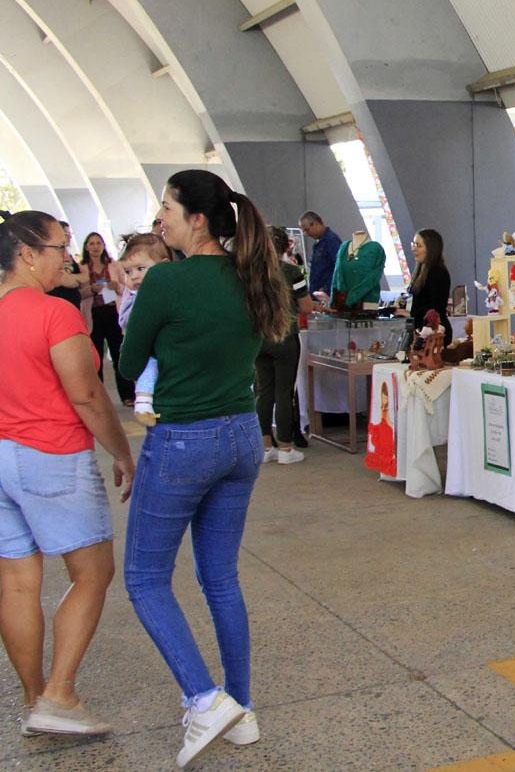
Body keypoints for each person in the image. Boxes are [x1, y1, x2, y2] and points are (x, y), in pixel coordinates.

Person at [120, 170, 290, 767]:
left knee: (143, 578)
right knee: (219, 578)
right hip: (243, 436)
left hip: (184, 441)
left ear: (196, 218)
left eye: (165, 206)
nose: (158, 217)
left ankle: (204, 696)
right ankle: (240, 708)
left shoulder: (165, 280)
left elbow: (128, 361)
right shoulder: (252, 276)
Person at [0, 209, 134, 738]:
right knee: (93, 572)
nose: (69, 259)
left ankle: (36, 699)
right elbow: (86, 393)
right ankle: (59, 694)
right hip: (52, 453)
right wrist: (122, 451)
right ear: (27, 254)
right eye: (59, 248)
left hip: (5, 455)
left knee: (16, 584)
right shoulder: (55, 313)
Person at [256, 226, 312, 465]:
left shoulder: (251, 272)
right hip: (285, 337)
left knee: (263, 392)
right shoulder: (292, 272)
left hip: (259, 339)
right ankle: (287, 448)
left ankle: (266, 446)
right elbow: (306, 307)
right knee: (284, 392)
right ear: (286, 247)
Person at [117, 233, 172, 425]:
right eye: (128, 272)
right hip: (147, 348)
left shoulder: (172, 289)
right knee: (148, 365)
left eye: (141, 268)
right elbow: (124, 320)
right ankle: (143, 401)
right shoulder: (133, 295)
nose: (135, 276)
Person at [80, 232, 134, 406]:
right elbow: (78, 293)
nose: (95, 247)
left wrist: (115, 285)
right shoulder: (82, 268)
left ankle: (127, 395)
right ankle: (99, 396)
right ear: (86, 247)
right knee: (95, 356)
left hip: (112, 312)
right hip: (93, 314)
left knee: (119, 353)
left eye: (98, 243)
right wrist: (92, 289)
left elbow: (127, 287)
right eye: (91, 243)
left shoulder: (114, 265)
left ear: (103, 246)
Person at [397, 229, 453, 345]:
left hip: (434, 333)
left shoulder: (438, 272)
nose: (413, 248)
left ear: (430, 248)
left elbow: (437, 306)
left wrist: (411, 312)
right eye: (413, 244)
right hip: (421, 329)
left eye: (418, 245)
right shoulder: (421, 271)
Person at [299, 210, 341, 298]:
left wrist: (326, 288)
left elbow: (339, 267)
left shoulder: (331, 240)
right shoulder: (317, 243)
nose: (306, 234)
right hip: (317, 293)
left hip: (325, 295)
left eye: (306, 230)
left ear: (315, 224)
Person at [46, 221, 85, 310]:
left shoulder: (68, 254)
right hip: (62, 301)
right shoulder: (55, 255)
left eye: (70, 233)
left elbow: (84, 278)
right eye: (66, 233)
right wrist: (79, 279)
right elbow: (67, 280)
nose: (69, 236)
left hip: (75, 302)